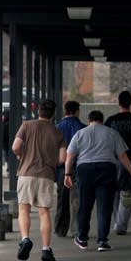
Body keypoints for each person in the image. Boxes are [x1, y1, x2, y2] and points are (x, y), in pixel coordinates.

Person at [65, 110, 131, 252]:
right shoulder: (111, 133)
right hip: (107, 169)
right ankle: (102, 241)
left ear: (89, 120)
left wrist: (67, 174)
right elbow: (122, 155)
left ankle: (82, 238)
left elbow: (70, 156)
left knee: (85, 205)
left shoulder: (80, 133)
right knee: (105, 207)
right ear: (102, 120)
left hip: (85, 170)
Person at [12, 99, 66, 261]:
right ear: (53, 114)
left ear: (38, 111)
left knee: (23, 209)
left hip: (26, 173)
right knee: (44, 212)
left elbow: (15, 147)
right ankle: (45, 249)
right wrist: (51, 161)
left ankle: (25, 239)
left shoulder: (27, 125)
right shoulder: (57, 133)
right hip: (46, 175)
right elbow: (62, 159)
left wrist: (21, 156)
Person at [105, 91, 131, 235]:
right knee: (128, 192)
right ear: (130, 103)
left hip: (114, 162)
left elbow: (106, 141)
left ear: (119, 103)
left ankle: (119, 222)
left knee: (116, 192)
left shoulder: (110, 121)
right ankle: (121, 225)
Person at [54, 101, 86, 238]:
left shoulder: (57, 128)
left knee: (62, 199)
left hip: (61, 169)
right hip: (79, 167)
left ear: (65, 110)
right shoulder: (83, 128)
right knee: (77, 199)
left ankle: (60, 229)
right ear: (77, 111)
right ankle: (76, 229)